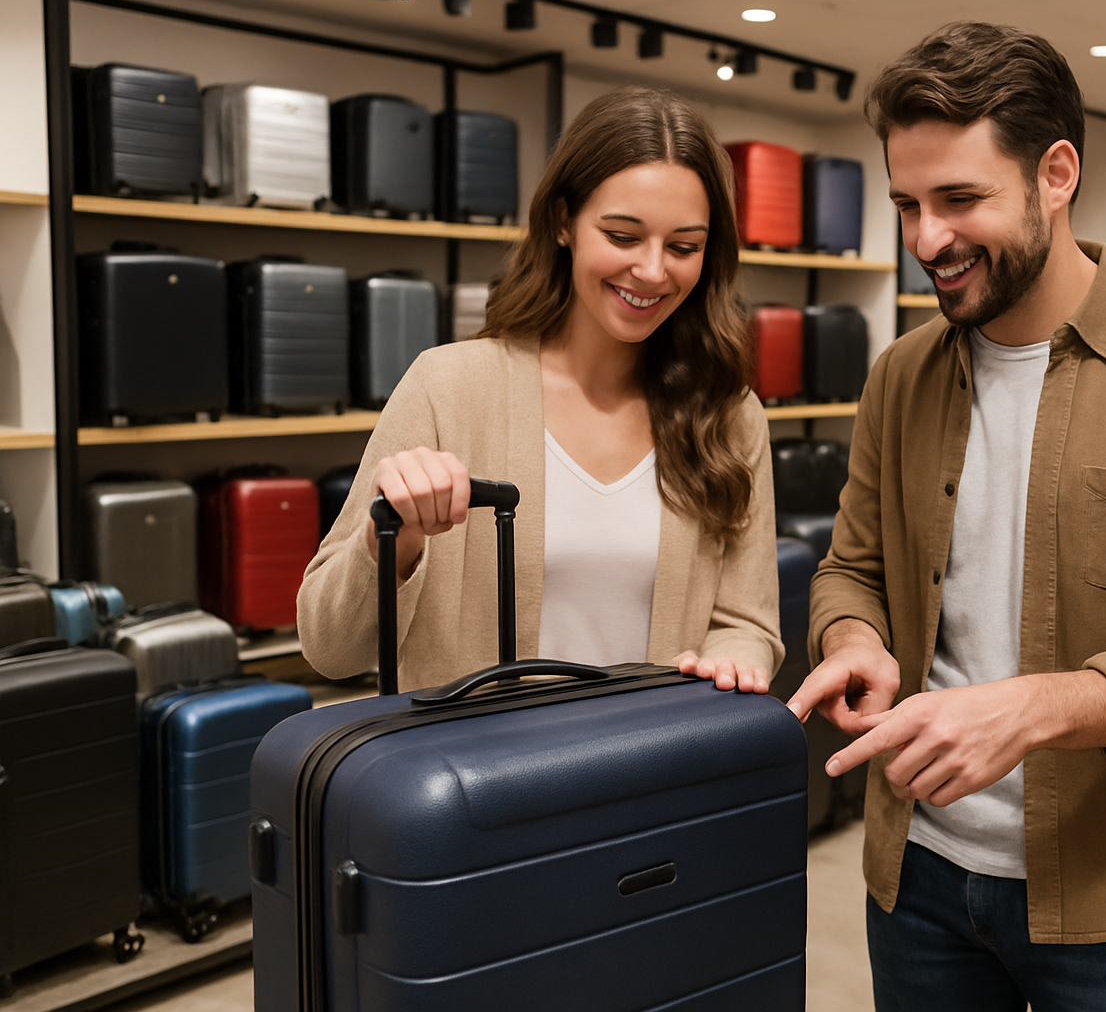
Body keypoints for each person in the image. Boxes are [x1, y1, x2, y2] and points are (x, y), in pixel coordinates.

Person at [787, 22, 1106, 1011]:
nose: (927, 239)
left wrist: (1031, 708)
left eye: (961, 200)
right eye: (907, 205)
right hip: (918, 878)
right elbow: (850, 566)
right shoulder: (898, 376)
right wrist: (854, 637)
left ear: (1055, 174)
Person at [298, 86, 782, 694]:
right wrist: (392, 540)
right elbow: (328, 648)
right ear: (562, 222)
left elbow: (747, 622)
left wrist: (738, 656)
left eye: (683, 246)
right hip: (482, 780)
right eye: (624, 236)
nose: (654, 271)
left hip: (655, 775)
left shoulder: (731, 415)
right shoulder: (448, 387)